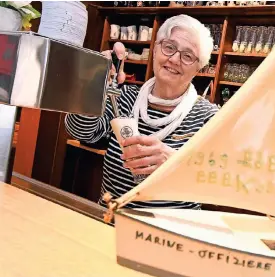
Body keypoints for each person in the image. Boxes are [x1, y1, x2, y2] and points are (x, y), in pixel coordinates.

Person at [65, 14, 219, 209]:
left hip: (169, 234)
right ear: (155, 50)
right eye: (169, 47)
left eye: (187, 56)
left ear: (199, 68)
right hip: (111, 221)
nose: (174, 59)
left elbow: (221, 180)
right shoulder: (125, 97)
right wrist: (93, 88)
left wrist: (175, 163)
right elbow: (79, 131)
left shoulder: (209, 117)